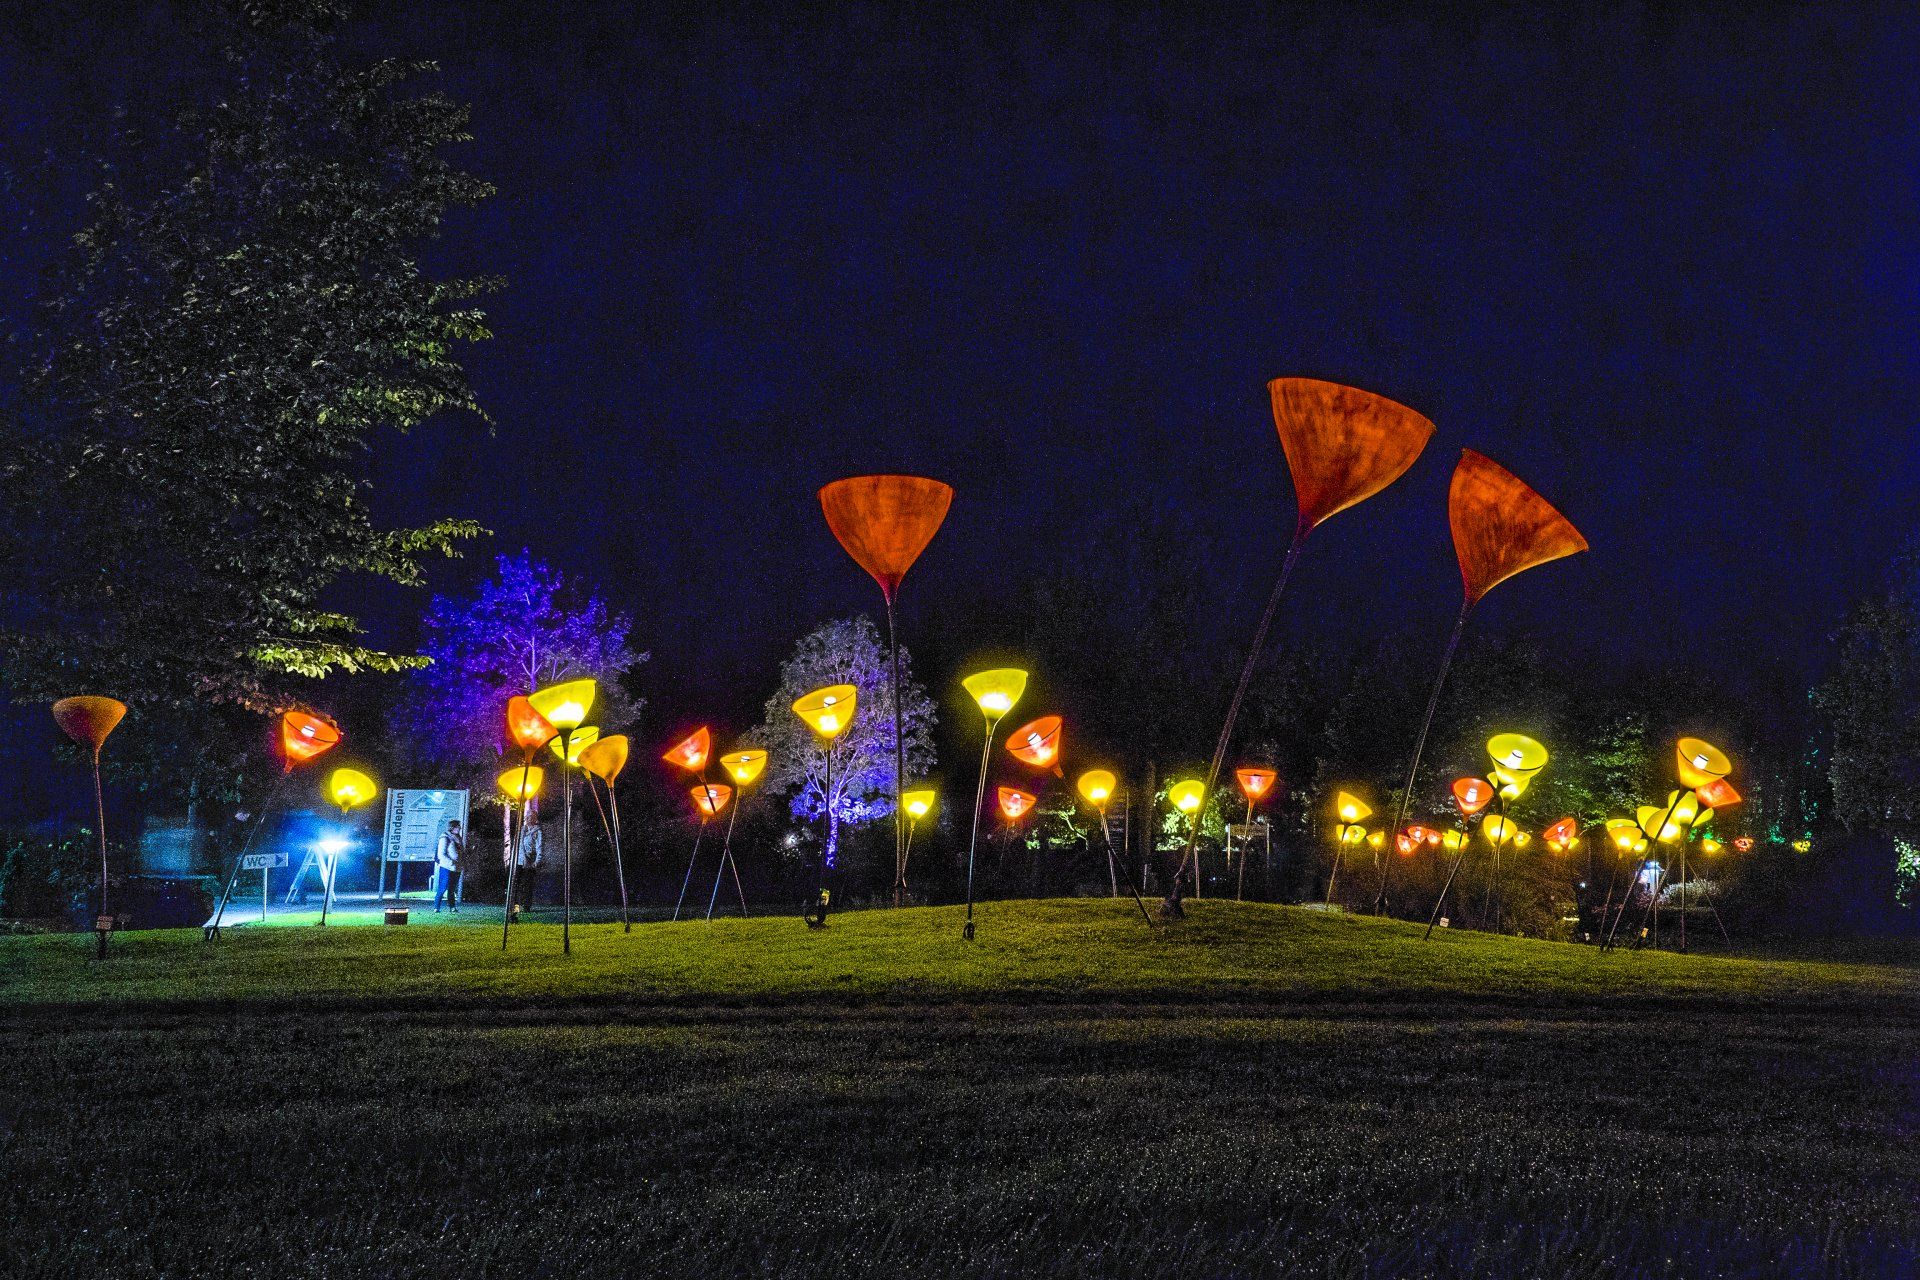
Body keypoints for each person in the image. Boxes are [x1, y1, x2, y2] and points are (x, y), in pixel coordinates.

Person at [509, 804, 543, 915]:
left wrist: (537, 861)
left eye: (532, 817)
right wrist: (523, 858)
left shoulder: (538, 831)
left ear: (535, 819)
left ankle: (527, 906)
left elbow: (539, 846)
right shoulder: (522, 830)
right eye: (528, 817)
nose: (530, 819)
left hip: (531, 861)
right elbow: (519, 845)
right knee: (516, 885)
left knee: (528, 885)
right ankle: (516, 908)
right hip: (519, 861)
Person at [432, 819, 467, 913]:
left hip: (457, 868)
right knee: (443, 887)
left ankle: (452, 907)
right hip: (446, 867)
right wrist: (451, 862)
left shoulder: (458, 838)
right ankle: (436, 907)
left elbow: (461, 852)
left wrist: (461, 863)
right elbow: (441, 854)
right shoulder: (445, 837)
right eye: (458, 826)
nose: (459, 828)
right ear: (452, 827)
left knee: (452, 888)